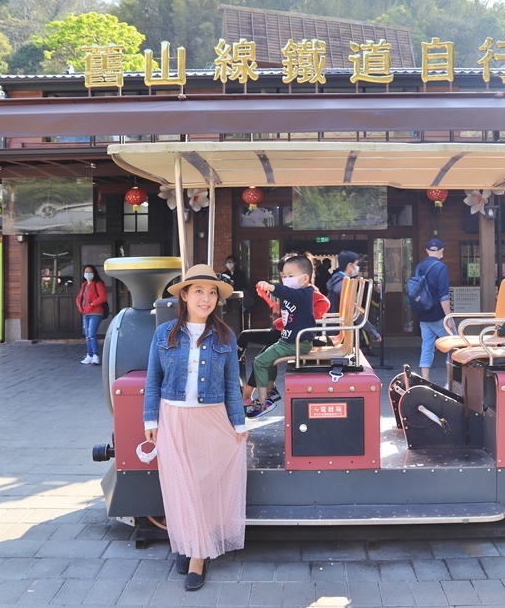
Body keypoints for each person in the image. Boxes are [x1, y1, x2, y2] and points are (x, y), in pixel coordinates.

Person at [142, 264, 247, 592]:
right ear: (184, 296)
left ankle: (198, 555)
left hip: (211, 419)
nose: (206, 298)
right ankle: (188, 544)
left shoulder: (225, 335)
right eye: (199, 291)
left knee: (203, 485)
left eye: (212, 292)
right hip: (173, 417)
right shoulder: (164, 334)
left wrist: (239, 422)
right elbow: (153, 379)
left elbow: (232, 383)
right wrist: (150, 419)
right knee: (180, 485)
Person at [241, 255, 329, 405]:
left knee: (260, 362)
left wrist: (271, 287)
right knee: (266, 359)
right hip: (287, 340)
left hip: (296, 343)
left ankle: (262, 401)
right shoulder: (295, 292)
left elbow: (288, 294)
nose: (285, 279)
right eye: (283, 276)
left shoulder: (305, 293)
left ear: (304, 278)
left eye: (290, 276)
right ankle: (269, 391)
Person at [412, 238, 451, 382]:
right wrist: (449, 318)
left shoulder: (419, 267)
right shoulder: (441, 267)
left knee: (427, 347)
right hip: (438, 315)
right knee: (454, 345)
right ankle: (449, 382)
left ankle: (425, 380)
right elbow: (444, 296)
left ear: (427, 251)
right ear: (442, 251)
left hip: (423, 314)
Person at [326, 251, 381, 349]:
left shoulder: (336, 282)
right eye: (356, 264)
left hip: (334, 330)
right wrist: (373, 333)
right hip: (342, 333)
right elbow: (354, 311)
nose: (357, 267)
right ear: (350, 266)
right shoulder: (344, 284)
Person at [75, 265, 107, 365]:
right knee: (88, 336)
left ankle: (95, 356)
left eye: (90, 271)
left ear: (94, 273)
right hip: (86, 313)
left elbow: (103, 297)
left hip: (95, 313)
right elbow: (80, 298)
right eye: (86, 271)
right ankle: (89, 355)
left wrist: (92, 304)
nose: (87, 273)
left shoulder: (98, 284)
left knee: (92, 334)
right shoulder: (84, 285)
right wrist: (80, 306)